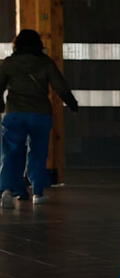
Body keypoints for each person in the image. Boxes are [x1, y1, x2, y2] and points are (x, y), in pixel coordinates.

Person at [0, 28, 77, 208]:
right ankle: (37, 192)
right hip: (40, 115)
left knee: (11, 153)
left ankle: (7, 191)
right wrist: (72, 104)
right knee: (38, 152)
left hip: (15, 114)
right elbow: (61, 86)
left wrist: (1, 106)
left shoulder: (9, 63)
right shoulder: (45, 63)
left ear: (17, 44)